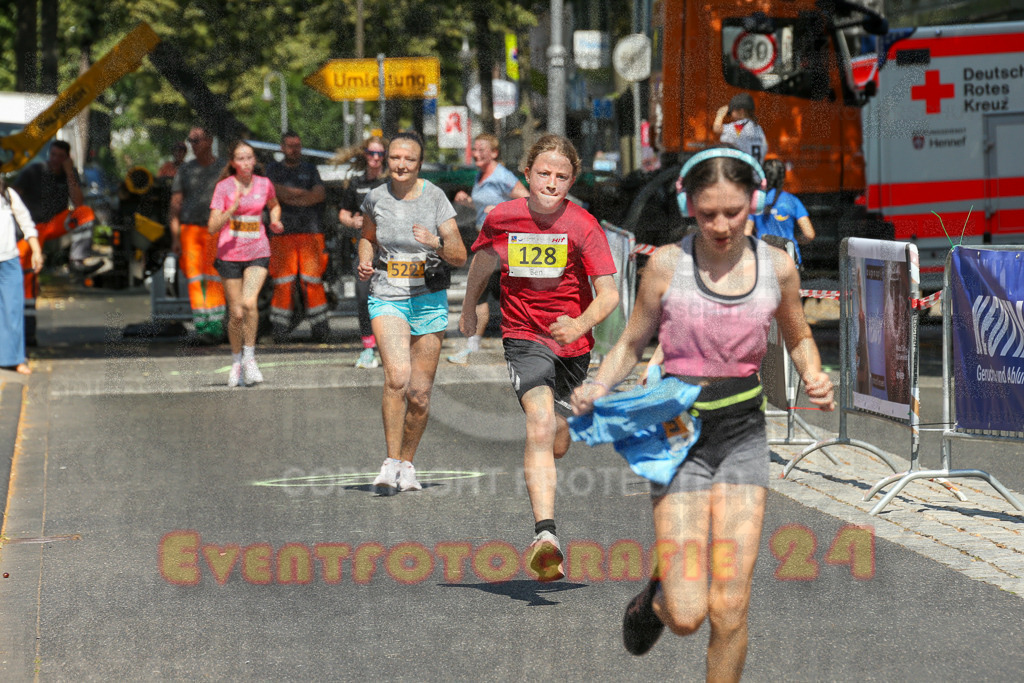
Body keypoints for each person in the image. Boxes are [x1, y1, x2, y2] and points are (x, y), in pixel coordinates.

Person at [570, 147, 835, 676]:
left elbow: (799, 334)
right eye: (708, 212)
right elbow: (630, 343)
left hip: (742, 434)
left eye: (733, 212)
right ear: (689, 204)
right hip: (678, 434)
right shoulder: (667, 266)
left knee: (731, 607)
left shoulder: (777, 268)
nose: (721, 225)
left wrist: (813, 372)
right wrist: (598, 384)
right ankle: (656, 597)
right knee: (689, 615)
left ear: (753, 201)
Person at [459, 134, 620, 581]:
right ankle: (545, 535)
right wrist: (470, 307)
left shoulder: (584, 225)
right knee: (540, 423)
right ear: (526, 174)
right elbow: (484, 264)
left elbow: (609, 295)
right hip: (523, 333)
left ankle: (549, 462)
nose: (551, 183)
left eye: (561, 176)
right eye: (543, 174)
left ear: (572, 181)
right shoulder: (503, 217)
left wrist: (580, 324)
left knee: (558, 437)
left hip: (572, 343)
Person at [358, 131, 466, 491]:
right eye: (395, 158)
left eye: (409, 160)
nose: (401, 165)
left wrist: (435, 241)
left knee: (419, 394)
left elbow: (459, 254)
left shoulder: (435, 198)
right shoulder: (375, 198)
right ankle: (389, 463)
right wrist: (364, 260)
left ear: (420, 164)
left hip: (428, 298)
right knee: (398, 378)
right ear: (386, 160)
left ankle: (407, 463)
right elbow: (366, 236)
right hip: (387, 294)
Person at [207, 141, 284, 387]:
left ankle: (250, 359)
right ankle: (236, 361)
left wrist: (275, 220)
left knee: (250, 303)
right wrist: (231, 209)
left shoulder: (264, 184)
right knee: (237, 313)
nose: (246, 163)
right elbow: (211, 227)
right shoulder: (223, 187)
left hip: (257, 250)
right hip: (229, 254)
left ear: (255, 160)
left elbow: (274, 205)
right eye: (240, 159)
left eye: (249, 158)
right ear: (232, 163)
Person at [449, 133, 529, 365]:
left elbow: (526, 200)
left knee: (502, 295)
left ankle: (523, 345)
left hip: (503, 244)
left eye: (482, 150)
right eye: (475, 149)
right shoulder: (480, 175)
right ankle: (473, 347)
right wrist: (468, 203)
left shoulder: (502, 175)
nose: (476, 154)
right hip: (486, 243)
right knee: (481, 294)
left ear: (494, 153)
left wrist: (502, 209)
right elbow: (485, 205)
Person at [13, 140, 97, 346]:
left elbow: (78, 202)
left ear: (67, 158)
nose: (55, 160)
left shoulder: (70, 174)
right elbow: (13, 197)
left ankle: (77, 260)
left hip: (53, 224)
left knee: (85, 213)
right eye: (53, 155)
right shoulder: (34, 171)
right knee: (28, 275)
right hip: (30, 228)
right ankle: (28, 332)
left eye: (60, 156)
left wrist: (69, 172)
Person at [265, 131, 329, 342]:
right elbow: (273, 193)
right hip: (282, 233)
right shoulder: (273, 170)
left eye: (298, 146)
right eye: (290, 146)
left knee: (313, 281)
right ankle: (280, 330)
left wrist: (290, 196)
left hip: (311, 232)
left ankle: (320, 328)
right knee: (283, 282)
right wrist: (303, 195)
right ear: (282, 148)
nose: (295, 150)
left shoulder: (310, 169)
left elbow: (320, 194)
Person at [169, 126, 227, 344]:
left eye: (197, 140)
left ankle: (216, 325)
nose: (192, 144)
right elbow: (175, 205)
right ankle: (202, 326)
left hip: (216, 230)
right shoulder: (185, 171)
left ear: (209, 141)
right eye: (190, 140)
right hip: (190, 231)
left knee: (214, 278)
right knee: (195, 279)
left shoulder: (223, 167)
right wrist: (175, 237)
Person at [339, 136, 388, 368]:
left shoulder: (391, 182)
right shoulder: (356, 183)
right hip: (364, 247)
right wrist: (352, 222)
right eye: (372, 153)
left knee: (390, 296)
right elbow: (343, 213)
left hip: (389, 249)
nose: (376, 158)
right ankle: (368, 348)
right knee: (363, 296)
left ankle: (389, 345)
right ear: (365, 155)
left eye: (380, 154)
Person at [1, 179, 42, 374]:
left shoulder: (7, 194)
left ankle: (15, 359)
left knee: (13, 310)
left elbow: (26, 222)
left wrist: (36, 251)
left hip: (9, 261)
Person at [746, 158, 815, 266]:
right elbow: (809, 234)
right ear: (783, 177)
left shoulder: (755, 200)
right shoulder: (793, 200)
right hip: (790, 260)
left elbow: (746, 233)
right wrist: (795, 240)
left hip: (764, 260)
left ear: (763, 177)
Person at [712, 93, 768, 163]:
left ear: (741, 111)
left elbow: (717, 129)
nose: (731, 116)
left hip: (743, 172)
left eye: (732, 112)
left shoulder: (739, 127)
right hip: (757, 170)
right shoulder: (758, 128)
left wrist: (720, 114)